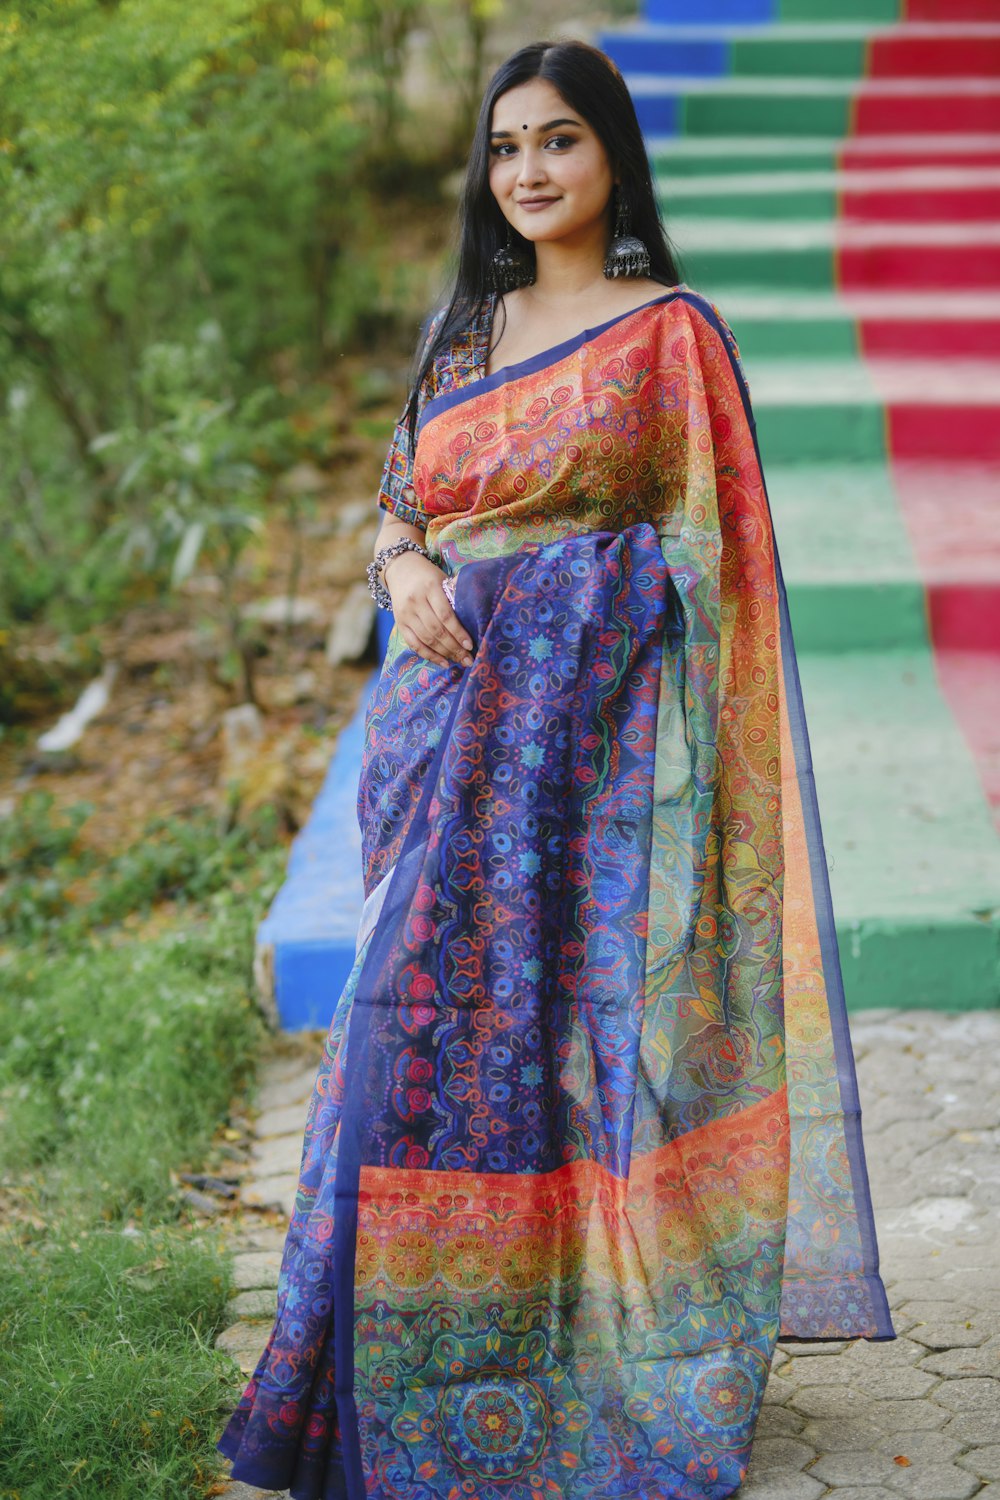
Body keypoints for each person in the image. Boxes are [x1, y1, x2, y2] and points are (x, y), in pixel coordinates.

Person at [216, 38, 894, 1500]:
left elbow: (726, 558)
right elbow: (401, 502)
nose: (528, 171)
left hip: (604, 746)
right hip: (444, 738)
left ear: (613, 159)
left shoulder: (670, 335)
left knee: (584, 1055)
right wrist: (402, 567)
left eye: (560, 141)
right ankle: (366, 1374)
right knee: (411, 1032)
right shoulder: (464, 331)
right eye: (507, 146)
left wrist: (596, 611)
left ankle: (584, 1366)